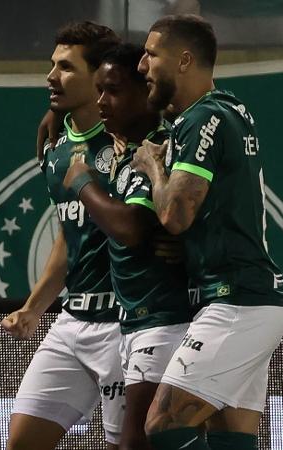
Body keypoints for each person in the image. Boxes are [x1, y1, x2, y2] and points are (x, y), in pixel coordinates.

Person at [132, 14, 283, 450]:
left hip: (236, 301)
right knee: (229, 439)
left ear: (184, 60)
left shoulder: (205, 117)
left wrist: (152, 166)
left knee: (163, 424)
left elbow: (176, 214)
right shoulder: (227, 109)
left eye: (151, 54)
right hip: (245, 300)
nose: (142, 65)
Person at [62, 43, 193, 450]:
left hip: (164, 318)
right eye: (99, 90)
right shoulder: (125, 148)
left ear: (146, 92)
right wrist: (55, 114)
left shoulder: (156, 149)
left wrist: (81, 182)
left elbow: (131, 228)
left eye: (113, 91)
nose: (102, 101)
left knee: (139, 440)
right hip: (137, 321)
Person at [0, 21, 124, 450]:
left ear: (102, 77)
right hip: (72, 323)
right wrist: (35, 308)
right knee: (21, 443)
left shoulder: (133, 138)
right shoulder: (54, 150)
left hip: (127, 327)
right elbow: (67, 238)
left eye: (66, 68)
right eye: (52, 65)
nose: (51, 77)